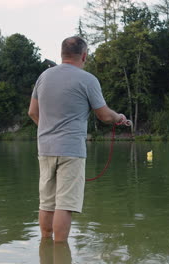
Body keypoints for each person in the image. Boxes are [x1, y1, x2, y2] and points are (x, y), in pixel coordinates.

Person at [28, 36, 127, 242]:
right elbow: (104, 115)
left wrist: (48, 130)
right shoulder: (87, 79)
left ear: (62, 54)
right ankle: (60, 249)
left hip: (45, 148)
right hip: (71, 150)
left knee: (46, 203)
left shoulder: (44, 77)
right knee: (64, 204)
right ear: (84, 55)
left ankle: (46, 246)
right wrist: (119, 117)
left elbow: (32, 112)